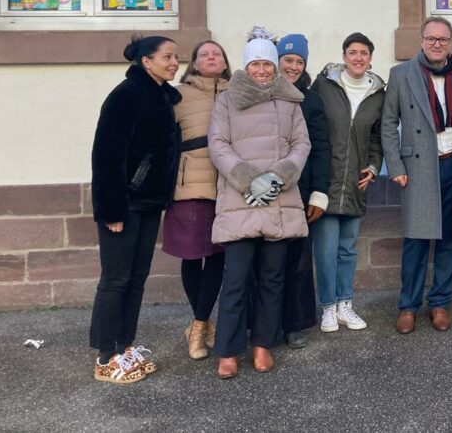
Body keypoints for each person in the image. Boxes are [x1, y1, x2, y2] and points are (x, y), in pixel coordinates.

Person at [209, 27, 311, 378]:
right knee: (236, 278)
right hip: (241, 199)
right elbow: (218, 144)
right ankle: (228, 349)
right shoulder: (226, 99)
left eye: (268, 64)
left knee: (272, 277)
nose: (263, 70)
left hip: (278, 199)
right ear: (246, 66)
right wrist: (249, 179)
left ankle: (263, 344)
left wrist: (277, 177)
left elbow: (301, 145)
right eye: (256, 64)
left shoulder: (290, 100)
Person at [89, 35, 181, 384]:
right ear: (146, 61)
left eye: (176, 56)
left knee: (137, 279)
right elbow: (106, 156)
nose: (174, 62)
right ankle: (104, 357)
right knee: (116, 279)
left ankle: (125, 346)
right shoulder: (126, 96)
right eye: (167, 57)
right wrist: (111, 209)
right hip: (123, 205)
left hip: (149, 203)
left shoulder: (162, 97)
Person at [382, 17, 452, 334]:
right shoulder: (401, 74)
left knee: (450, 240)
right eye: (431, 38)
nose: (437, 44)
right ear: (421, 40)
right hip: (417, 168)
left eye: (443, 39)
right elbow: (388, 124)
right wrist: (395, 167)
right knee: (416, 241)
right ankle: (408, 306)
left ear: (450, 42)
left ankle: (439, 303)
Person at [310, 32, 386, 333]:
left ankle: (345, 304)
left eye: (364, 53)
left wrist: (373, 165)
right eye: (352, 52)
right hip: (325, 180)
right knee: (326, 249)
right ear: (343, 56)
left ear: (370, 58)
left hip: (356, 181)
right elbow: (312, 129)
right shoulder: (324, 86)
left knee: (348, 249)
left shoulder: (378, 92)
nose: (358, 58)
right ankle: (327, 307)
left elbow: (378, 137)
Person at [163, 40, 231, 360]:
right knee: (192, 257)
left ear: (225, 61)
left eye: (216, 53)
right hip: (189, 185)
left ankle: (198, 326)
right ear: (194, 63)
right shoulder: (178, 94)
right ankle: (201, 324)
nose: (211, 57)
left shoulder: (237, 92)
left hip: (228, 187)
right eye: (204, 54)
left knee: (218, 257)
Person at [276, 33, 330, 349]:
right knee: (267, 262)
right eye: (288, 59)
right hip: (266, 191)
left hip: (302, 189)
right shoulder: (262, 94)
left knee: (297, 260)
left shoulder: (310, 100)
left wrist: (319, 191)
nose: (293, 66)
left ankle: (295, 324)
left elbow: (322, 146)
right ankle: (265, 324)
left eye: (299, 61)